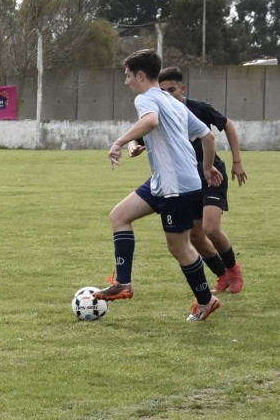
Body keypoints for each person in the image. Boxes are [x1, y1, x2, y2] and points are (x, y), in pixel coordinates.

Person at [95, 49, 223, 321]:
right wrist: (207, 167)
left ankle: (206, 301)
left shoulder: (145, 99)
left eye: (128, 76)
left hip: (175, 186)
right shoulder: (173, 101)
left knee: (180, 247)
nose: (126, 82)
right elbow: (208, 136)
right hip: (166, 181)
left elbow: (150, 121)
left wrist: (118, 142)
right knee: (119, 216)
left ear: (140, 75)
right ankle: (123, 284)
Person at [157, 66, 246, 293]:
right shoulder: (160, 114)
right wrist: (133, 146)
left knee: (210, 228)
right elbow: (140, 135)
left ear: (182, 89)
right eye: (163, 91)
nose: (168, 95)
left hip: (212, 175)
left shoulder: (198, 109)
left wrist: (237, 161)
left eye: (172, 90)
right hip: (188, 181)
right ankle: (222, 275)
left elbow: (228, 125)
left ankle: (234, 269)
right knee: (195, 236)